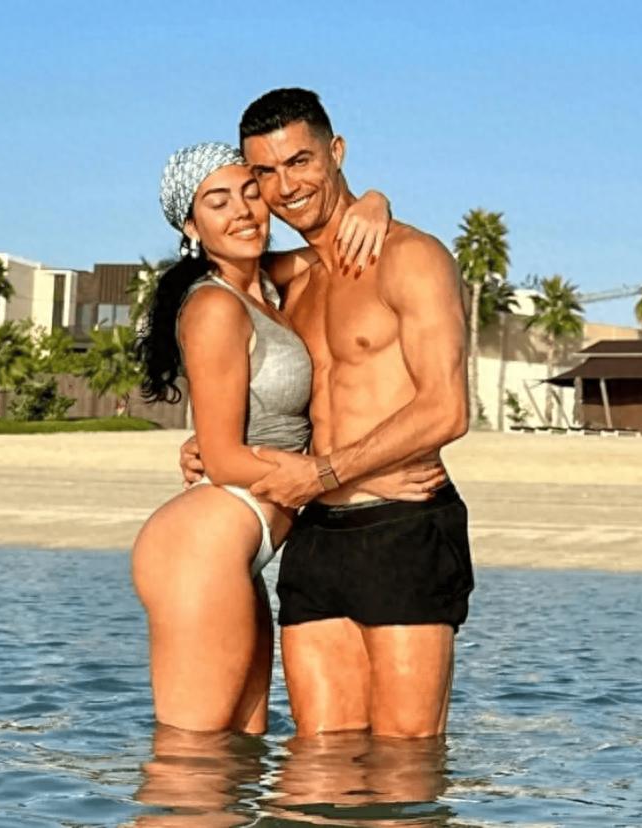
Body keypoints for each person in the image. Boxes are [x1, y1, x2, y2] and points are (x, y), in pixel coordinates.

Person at [181, 88, 473, 739]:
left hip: (403, 527)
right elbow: (214, 277)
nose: (286, 187)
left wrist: (324, 472)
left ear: (336, 152)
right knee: (316, 762)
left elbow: (447, 408)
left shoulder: (410, 258)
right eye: (266, 172)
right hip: (315, 535)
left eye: (301, 161)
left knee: (404, 761)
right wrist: (215, 441)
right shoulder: (287, 281)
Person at [131, 141, 418, 734]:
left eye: (249, 192)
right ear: (191, 227)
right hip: (201, 547)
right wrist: (343, 477)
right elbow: (223, 459)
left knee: (240, 749)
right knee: (192, 757)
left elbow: (333, 242)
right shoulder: (215, 306)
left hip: (240, 548)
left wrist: (374, 200)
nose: (241, 211)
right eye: (217, 202)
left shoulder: (267, 285)